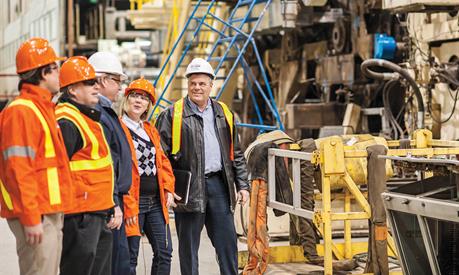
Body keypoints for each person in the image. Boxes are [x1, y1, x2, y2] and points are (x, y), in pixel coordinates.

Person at [156, 58, 250, 275]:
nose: (197, 87)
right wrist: (168, 188)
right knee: (188, 247)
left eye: (202, 83)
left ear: (211, 85)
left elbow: (235, 151)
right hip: (188, 189)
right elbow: (161, 156)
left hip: (219, 185)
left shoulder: (223, 112)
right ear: (188, 84)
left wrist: (242, 184)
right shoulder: (172, 115)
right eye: (193, 83)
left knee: (227, 243)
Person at [0, 37, 72, 275]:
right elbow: (19, 170)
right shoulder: (22, 111)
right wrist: (30, 217)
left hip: (48, 210)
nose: (60, 74)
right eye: (55, 68)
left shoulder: (43, 109)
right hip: (37, 213)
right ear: (43, 73)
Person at [56, 56, 115, 275]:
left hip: (96, 212)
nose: (96, 87)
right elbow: (57, 171)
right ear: (72, 89)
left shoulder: (87, 118)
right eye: (89, 83)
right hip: (80, 216)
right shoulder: (67, 121)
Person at [120, 77, 177, 275]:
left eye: (144, 98)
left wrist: (169, 188)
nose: (138, 101)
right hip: (132, 202)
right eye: (134, 96)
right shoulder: (118, 128)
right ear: (126, 99)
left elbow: (162, 162)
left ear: (148, 105)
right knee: (130, 257)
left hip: (155, 202)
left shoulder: (149, 130)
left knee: (164, 252)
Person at [88, 51, 132, 275]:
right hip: (109, 202)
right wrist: (113, 202)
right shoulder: (100, 114)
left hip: (112, 200)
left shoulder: (105, 111)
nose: (121, 88)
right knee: (116, 263)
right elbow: (107, 164)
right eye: (117, 81)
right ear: (103, 80)